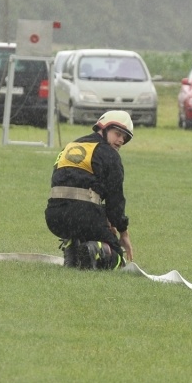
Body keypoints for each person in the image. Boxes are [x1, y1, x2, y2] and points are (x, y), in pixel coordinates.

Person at [45, 110, 135, 270]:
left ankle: (72, 247)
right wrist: (123, 232)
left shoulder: (71, 146)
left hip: (54, 217)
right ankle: (93, 250)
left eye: (125, 137)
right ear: (104, 128)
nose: (121, 140)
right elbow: (115, 198)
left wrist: (103, 218)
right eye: (118, 133)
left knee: (80, 223)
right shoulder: (109, 154)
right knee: (118, 258)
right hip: (84, 217)